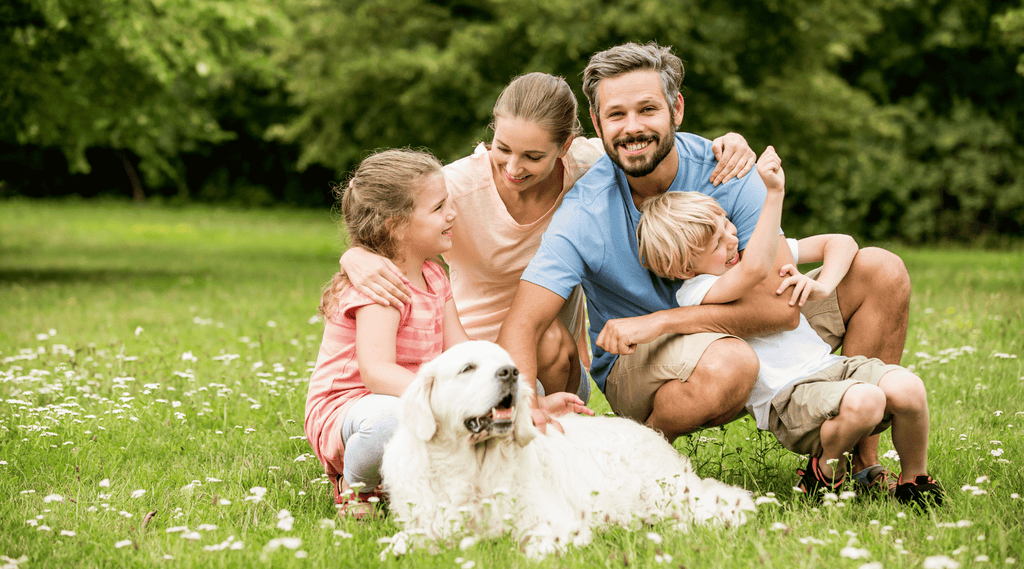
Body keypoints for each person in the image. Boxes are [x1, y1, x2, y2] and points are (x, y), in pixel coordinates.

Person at [496, 42, 912, 493]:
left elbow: (782, 312)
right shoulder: (585, 212)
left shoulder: (728, 172)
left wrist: (660, 321)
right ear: (597, 123)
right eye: (616, 115)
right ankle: (645, 460)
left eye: (647, 109)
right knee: (731, 361)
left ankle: (860, 463)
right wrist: (524, 403)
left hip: (720, 327)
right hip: (643, 362)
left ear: (676, 109)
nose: (632, 128)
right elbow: (522, 324)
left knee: (881, 270)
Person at [339, 72, 756, 425]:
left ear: (566, 146)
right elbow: (381, 211)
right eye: (502, 149)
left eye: (533, 157)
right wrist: (354, 253)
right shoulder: (455, 189)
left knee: (550, 337)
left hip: (553, 361)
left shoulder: (590, 168)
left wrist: (729, 142)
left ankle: (554, 440)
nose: (513, 168)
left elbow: (648, 143)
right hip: (465, 353)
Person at [635, 147, 944, 506]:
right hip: (789, 396)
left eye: (727, 225)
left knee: (911, 389)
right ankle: (824, 473)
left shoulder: (748, 255)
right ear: (684, 268)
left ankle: (915, 482)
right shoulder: (697, 291)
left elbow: (841, 243)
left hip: (832, 367)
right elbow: (753, 269)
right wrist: (773, 195)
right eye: (717, 243)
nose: (733, 239)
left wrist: (823, 284)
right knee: (867, 400)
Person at [304, 148, 474, 519]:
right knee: (393, 420)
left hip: (407, 395)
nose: (452, 214)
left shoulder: (434, 275)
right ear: (395, 225)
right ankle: (355, 487)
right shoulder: (380, 286)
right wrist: (441, 398)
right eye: (438, 208)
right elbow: (376, 372)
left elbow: (459, 349)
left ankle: (403, 478)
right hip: (352, 409)